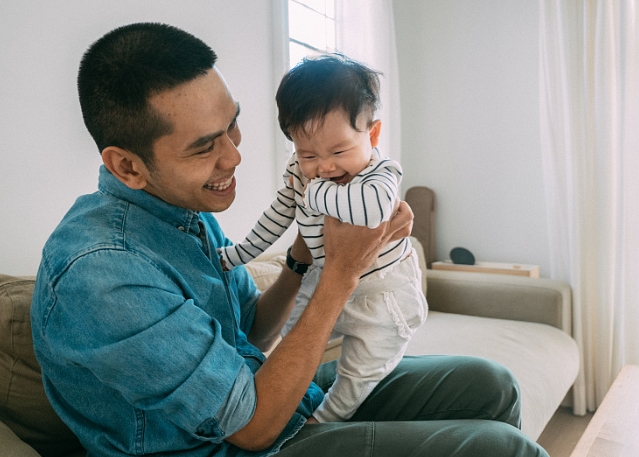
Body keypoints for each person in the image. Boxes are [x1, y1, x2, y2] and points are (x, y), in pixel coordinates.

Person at [30, 22, 550, 457]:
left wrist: (302, 255)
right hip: (235, 445)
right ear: (127, 165)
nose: (234, 157)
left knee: (490, 382)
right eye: (204, 146)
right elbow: (251, 428)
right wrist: (342, 274)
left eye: (232, 126)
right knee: (499, 448)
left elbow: (249, 335)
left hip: (273, 403)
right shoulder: (104, 275)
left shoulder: (180, 212)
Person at [219, 54, 428, 423]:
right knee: (294, 336)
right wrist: (237, 255)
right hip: (320, 275)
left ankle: (325, 420)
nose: (325, 166)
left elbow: (373, 210)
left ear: (372, 134)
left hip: (380, 292)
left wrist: (314, 194)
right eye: (308, 153)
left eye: (339, 151)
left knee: (361, 369)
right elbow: (278, 215)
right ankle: (289, 400)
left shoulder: (381, 172)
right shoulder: (301, 171)